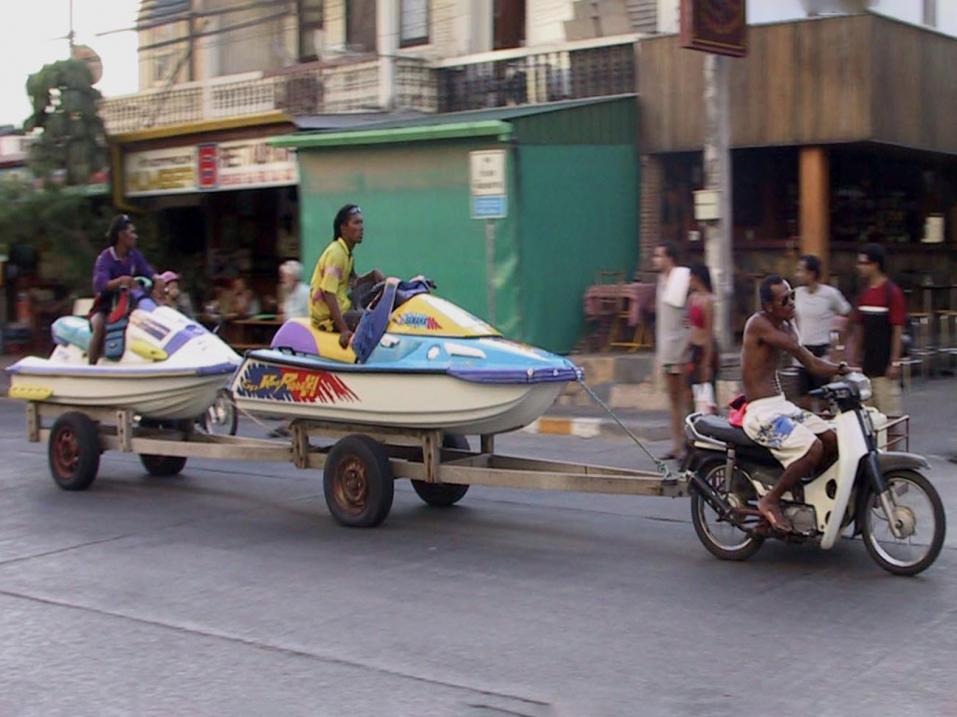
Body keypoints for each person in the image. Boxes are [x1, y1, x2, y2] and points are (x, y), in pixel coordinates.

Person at [741, 275, 851, 531]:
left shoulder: (787, 327)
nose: (792, 304)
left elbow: (811, 362)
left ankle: (801, 495)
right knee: (812, 448)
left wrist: (845, 370)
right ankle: (770, 500)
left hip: (781, 405)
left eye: (793, 297)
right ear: (769, 306)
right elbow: (802, 354)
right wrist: (835, 366)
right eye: (785, 300)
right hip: (760, 412)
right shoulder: (759, 324)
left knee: (833, 440)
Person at [89, 215, 165, 364]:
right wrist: (121, 281)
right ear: (121, 235)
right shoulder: (105, 258)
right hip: (107, 304)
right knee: (99, 326)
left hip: (129, 303)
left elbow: (147, 270)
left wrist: (157, 278)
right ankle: (91, 367)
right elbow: (100, 285)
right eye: (132, 233)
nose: (135, 237)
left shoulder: (134, 255)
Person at [309, 204, 384, 349]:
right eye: (356, 223)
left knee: (375, 288)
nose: (361, 227)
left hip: (344, 305)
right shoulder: (336, 253)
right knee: (376, 320)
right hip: (328, 319)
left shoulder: (347, 254)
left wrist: (372, 275)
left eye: (361, 223)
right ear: (343, 228)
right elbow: (328, 292)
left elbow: (353, 283)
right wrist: (344, 329)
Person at [850, 243, 906, 417]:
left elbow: (898, 329)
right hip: (866, 364)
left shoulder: (892, 293)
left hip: (884, 364)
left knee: (889, 415)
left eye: (864, 263)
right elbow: (859, 327)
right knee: (867, 415)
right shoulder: (864, 293)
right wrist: (855, 358)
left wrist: (894, 362)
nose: (860, 267)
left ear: (875, 265)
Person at [793, 254, 851, 407]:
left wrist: (839, 345)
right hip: (802, 350)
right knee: (803, 399)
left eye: (801, 271)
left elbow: (847, 314)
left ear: (811, 274)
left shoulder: (830, 294)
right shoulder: (797, 294)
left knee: (823, 399)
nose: (797, 274)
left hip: (822, 351)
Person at [653, 241, 690, 460]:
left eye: (659, 256)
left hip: (681, 344)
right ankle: (676, 445)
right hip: (666, 345)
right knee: (673, 398)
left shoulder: (682, 277)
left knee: (685, 396)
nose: (656, 260)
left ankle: (690, 443)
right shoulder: (661, 280)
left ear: (669, 258)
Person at [686, 263, 719, 413]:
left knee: (707, 393)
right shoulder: (692, 298)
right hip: (693, 346)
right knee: (691, 389)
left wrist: (706, 362)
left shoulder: (709, 301)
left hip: (705, 348)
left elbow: (709, 331)